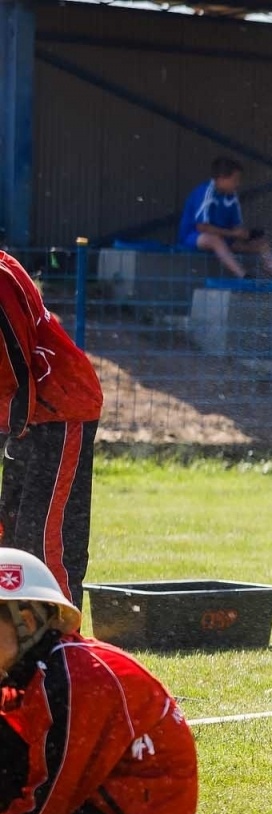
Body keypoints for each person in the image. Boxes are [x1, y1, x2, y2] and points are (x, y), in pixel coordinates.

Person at [0, 548, 225, 814]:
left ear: (25, 620)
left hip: (135, 808)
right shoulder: (25, 671)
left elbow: (50, 797)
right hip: (94, 795)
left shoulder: (74, 681)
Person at [0, 251, 103, 606]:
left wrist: (11, 428)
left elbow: (14, 364)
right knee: (10, 529)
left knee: (42, 534)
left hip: (59, 408)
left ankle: (61, 639)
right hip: (26, 413)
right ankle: (17, 635)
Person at [178, 157, 272, 282]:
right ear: (220, 179)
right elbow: (202, 227)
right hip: (194, 236)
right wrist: (232, 233)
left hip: (224, 238)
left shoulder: (232, 196)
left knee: (261, 244)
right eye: (235, 180)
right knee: (215, 240)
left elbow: (236, 226)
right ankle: (244, 276)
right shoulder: (205, 191)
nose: (238, 184)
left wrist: (246, 234)